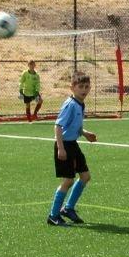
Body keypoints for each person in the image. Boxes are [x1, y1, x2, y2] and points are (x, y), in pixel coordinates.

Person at [47, 73, 98, 227]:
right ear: (72, 88)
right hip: (65, 145)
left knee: (85, 176)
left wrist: (84, 133)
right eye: (80, 87)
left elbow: (75, 125)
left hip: (73, 144)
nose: (84, 90)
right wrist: (60, 148)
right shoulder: (70, 104)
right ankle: (53, 216)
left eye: (86, 86)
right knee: (68, 180)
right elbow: (58, 126)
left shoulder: (80, 104)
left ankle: (68, 208)